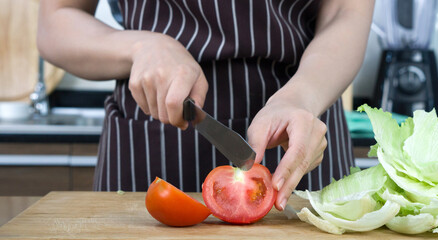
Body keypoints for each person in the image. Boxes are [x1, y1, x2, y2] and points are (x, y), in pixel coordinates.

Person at [37, 0, 374, 211]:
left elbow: (348, 12)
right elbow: (56, 22)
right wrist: (140, 46)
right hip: (155, 132)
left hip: (301, 124)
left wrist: (303, 96)